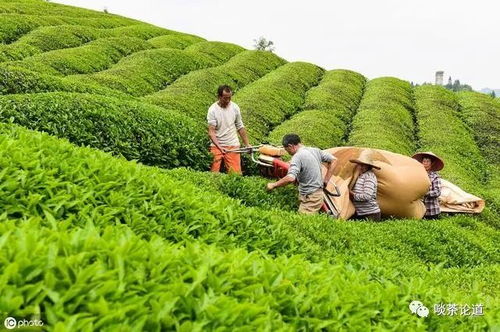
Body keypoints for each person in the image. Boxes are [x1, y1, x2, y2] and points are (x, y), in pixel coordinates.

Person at [266, 134, 337, 214]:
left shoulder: (297, 157)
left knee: (301, 222)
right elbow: (334, 160)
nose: (287, 152)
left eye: (287, 150)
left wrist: (273, 185)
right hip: (317, 194)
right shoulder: (314, 150)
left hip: (311, 197)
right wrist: (326, 180)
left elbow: (290, 178)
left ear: (290, 146)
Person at [207, 85, 251, 174]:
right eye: (225, 98)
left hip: (232, 144)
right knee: (213, 173)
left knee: (236, 175)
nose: (227, 101)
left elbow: (240, 127)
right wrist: (220, 147)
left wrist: (247, 144)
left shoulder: (235, 107)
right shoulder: (212, 110)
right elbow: (211, 132)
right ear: (219, 97)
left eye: (229, 98)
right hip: (216, 145)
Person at [349, 150, 382, 221]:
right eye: (359, 164)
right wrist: (355, 176)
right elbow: (349, 189)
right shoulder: (359, 176)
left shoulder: (369, 176)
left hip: (371, 214)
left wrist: (352, 194)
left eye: (363, 165)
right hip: (361, 213)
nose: (360, 167)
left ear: (368, 166)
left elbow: (366, 196)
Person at [412, 151, 444, 219]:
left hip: (432, 211)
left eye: (427, 161)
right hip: (420, 211)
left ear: (431, 163)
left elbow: (437, 192)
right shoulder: (419, 175)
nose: (425, 164)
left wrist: (423, 193)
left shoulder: (435, 177)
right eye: (424, 161)